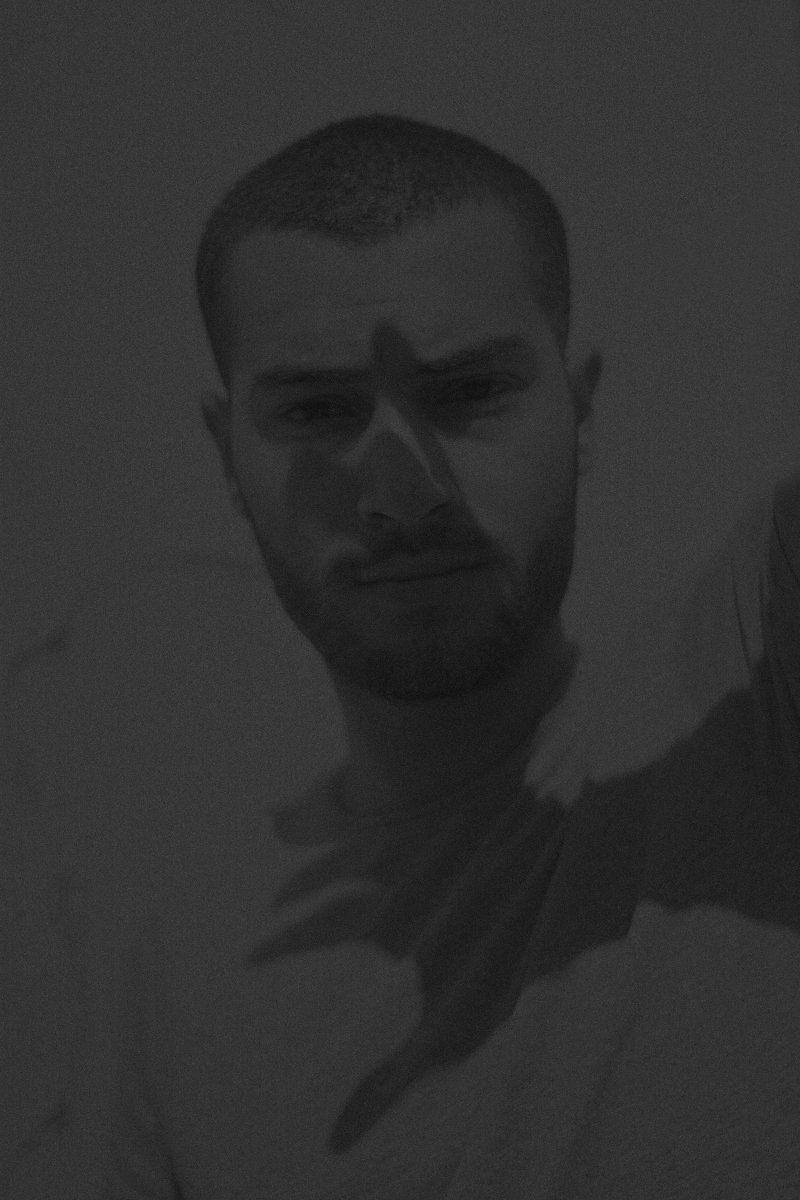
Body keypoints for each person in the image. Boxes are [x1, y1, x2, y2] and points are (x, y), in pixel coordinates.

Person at [103, 113, 800, 1198]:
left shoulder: (755, 679)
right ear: (225, 453)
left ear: (579, 408)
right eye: (318, 409)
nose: (404, 494)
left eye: (470, 392)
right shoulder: (186, 976)